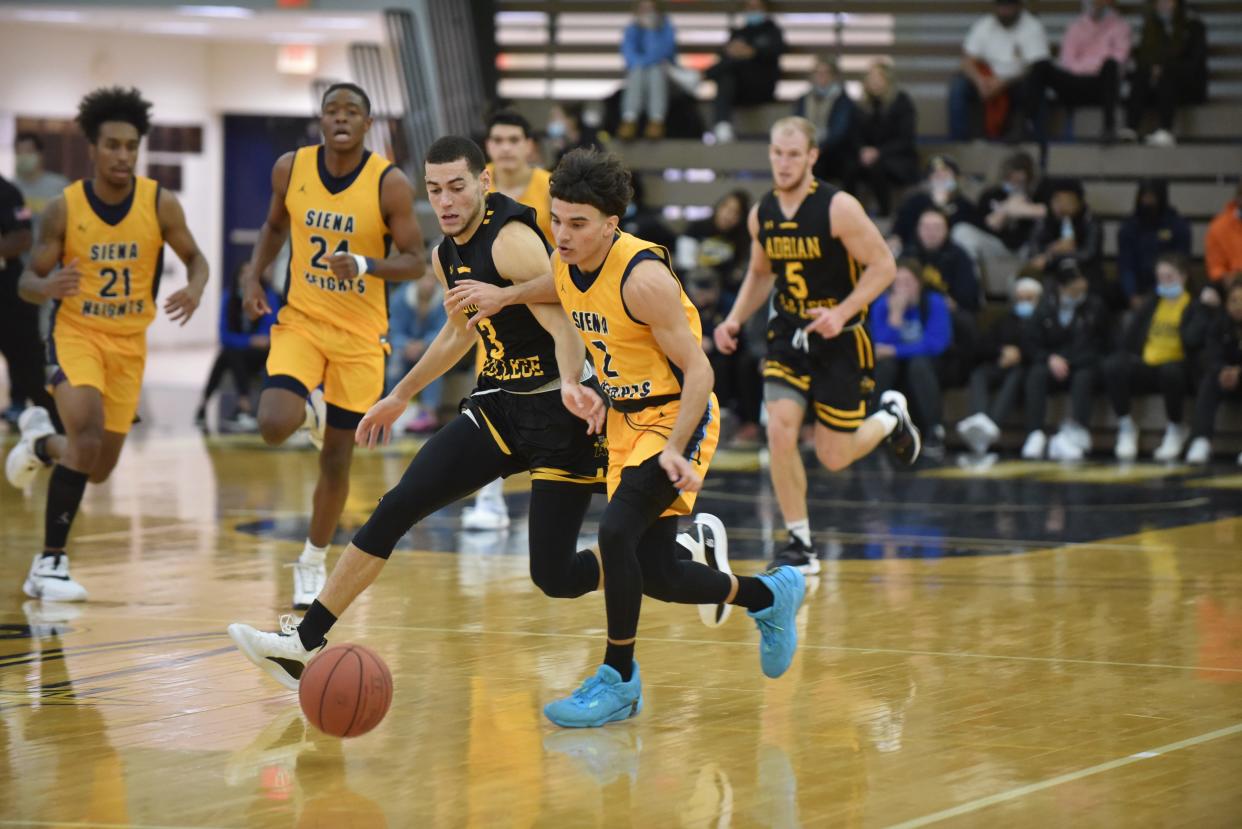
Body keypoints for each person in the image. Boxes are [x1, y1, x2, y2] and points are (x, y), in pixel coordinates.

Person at [227, 140, 749, 701]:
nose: (446, 201)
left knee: (556, 577)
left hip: (561, 418)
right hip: (499, 406)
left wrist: (573, 382)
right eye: (435, 190)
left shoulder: (515, 240)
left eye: (457, 186)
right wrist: (400, 394)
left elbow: (566, 321)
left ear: (484, 182)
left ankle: (679, 551)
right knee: (400, 503)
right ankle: (306, 644)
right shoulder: (446, 253)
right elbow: (459, 330)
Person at [545, 146, 806, 727]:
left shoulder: (644, 279)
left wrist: (671, 448)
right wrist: (572, 379)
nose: (562, 234)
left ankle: (620, 680)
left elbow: (702, 372)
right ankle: (770, 597)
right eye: (556, 218)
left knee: (615, 535)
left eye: (577, 224)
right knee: (659, 574)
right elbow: (562, 309)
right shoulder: (565, 261)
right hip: (623, 420)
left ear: (611, 225)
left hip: (676, 416)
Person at [4, 86, 209, 601]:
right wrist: (47, 288)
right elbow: (27, 279)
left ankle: (39, 443)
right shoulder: (63, 209)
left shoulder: (159, 203)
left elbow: (197, 259)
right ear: (92, 148)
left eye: (131, 146)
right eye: (113, 145)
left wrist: (196, 286)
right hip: (76, 336)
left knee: (96, 467)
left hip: (128, 345)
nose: (122, 155)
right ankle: (49, 563)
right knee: (89, 436)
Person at [237, 83, 426, 610]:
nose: (341, 118)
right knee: (274, 423)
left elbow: (415, 258)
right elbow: (274, 226)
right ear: (320, 119)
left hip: (362, 335)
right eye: (332, 110)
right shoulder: (290, 168)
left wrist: (367, 264)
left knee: (338, 460)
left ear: (369, 125)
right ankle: (308, 410)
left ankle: (312, 560)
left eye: (353, 112)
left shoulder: (388, 182)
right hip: (303, 320)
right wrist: (253, 278)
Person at [714, 117, 919, 574]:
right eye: (776, 153)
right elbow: (761, 273)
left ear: (811, 158)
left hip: (841, 339)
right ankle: (800, 544)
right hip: (788, 334)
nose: (783, 163)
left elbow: (883, 266)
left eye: (793, 155)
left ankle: (889, 418)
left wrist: (842, 312)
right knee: (780, 430)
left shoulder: (837, 207)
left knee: (834, 455)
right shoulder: (761, 213)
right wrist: (733, 319)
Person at [461, 110, 559, 530]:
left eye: (512, 139)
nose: (504, 147)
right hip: (497, 309)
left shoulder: (550, 187)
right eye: (497, 139)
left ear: (528, 146)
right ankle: (490, 497)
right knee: (492, 389)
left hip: (548, 302)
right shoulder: (477, 183)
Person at [1104, 252, 1209, 461]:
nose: (1164, 282)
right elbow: (1130, 339)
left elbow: (1193, 341)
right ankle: (1126, 426)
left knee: (1170, 371)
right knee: (1114, 365)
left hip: (1180, 368)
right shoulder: (1152, 303)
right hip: (1149, 364)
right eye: (1160, 278)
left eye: (1169, 277)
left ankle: (1175, 427)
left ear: (1183, 277)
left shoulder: (1195, 306)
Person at [1022, 262, 1111, 461]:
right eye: (1072, 287)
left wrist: (1070, 361)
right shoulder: (1046, 306)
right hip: (1053, 362)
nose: (1078, 290)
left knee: (1084, 376)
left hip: (1084, 363)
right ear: (1061, 287)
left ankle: (1077, 431)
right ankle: (1035, 432)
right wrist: (1050, 358)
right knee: (1036, 373)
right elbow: (1031, 343)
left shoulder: (1095, 307)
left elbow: (1101, 343)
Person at [870, 260, 953, 459]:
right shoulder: (883, 304)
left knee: (919, 365)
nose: (902, 287)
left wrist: (896, 351)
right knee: (883, 366)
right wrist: (895, 317)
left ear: (919, 283)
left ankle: (934, 430)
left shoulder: (933, 302)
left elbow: (936, 344)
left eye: (908, 281)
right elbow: (879, 347)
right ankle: (873, 430)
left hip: (930, 365)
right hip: (896, 367)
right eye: (897, 282)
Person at [956, 277, 1042, 456]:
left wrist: (1020, 354)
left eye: (1029, 298)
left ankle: (991, 425)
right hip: (1000, 364)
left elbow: (1045, 348)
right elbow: (982, 345)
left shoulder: (1044, 321)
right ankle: (979, 419)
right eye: (1020, 298)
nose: (1024, 303)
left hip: (1027, 369)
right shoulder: (1005, 319)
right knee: (979, 373)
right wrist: (1001, 351)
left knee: (1017, 375)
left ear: (1038, 300)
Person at [1025, 0, 1130, 144]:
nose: (1097, 4)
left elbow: (1119, 59)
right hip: (1074, 82)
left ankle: (1109, 128)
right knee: (1041, 66)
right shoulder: (1076, 26)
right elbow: (1066, 60)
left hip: (1100, 85)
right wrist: (1090, 68)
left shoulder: (1120, 27)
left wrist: (1089, 67)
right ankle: (1029, 125)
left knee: (1110, 67)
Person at [948, 0, 1049, 141]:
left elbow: (1037, 67)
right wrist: (979, 81)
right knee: (958, 87)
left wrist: (1002, 82)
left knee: (1035, 87)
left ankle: (1035, 141)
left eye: (1009, 6)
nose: (1004, 10)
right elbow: (967, 60)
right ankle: (959, 143)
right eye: (1001, 6)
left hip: (1016, 81)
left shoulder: (1033, 26)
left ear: (1019, 6)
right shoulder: (984, 24)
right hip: (987, 80)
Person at [195, 264, 279, 431]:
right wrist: (249, 341)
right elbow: (224, 335)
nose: (247, 280)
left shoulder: (268, 296)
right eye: (243, 275)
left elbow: (269, 333)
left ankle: (205, 407)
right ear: (238, 278)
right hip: (240, 352)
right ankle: (243, 408)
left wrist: (250, 341)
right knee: (229, 353)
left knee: (229, 353)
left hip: (263, 354)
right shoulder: (229, 297)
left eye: (251, 275)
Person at [951, 151, 1045, 298]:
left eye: (1019, 181)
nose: (1014, 184)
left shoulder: (1038, 194)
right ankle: (971, 292)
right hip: (997, 244)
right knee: (961, 231)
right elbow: (991, 224)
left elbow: (1047, 212)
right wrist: (1008, 208)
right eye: (1011, 180)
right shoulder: (992, 194)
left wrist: (1023, 209)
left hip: (1026, 247)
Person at [1124, 0, 1208, 147]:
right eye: (1159, 1)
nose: (1163, 4)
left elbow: (1193, 64)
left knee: (1167, 74)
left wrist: (1163, 67)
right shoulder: (1150, 28)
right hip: (1155, 85)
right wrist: (1153, 69)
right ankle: (1131, 128)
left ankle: (1166, 129)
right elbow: (1143, 56)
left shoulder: (1193, 27)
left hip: (1185, 86)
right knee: (1141, 74)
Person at [841, 60, 919, 218]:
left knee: (877, 167)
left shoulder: (902, 102)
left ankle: (885, 214)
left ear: (888, 80)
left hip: (896, 158)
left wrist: (878, 152)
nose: (875, 82)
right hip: (866, 157)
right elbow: (854, 135)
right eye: (871, 78)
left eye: (879, 78)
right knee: (848, 165)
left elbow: (905, 139)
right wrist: (862, 150)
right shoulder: (861, 105)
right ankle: (848, 214)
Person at [705, 0, 786, 144]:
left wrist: (753, 52)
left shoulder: (773, 31)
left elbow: (775, 51)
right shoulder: (738, 33)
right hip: (738, 91)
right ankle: (723, 126)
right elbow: (724, 56)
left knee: (731, 67)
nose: (753, 10)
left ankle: (701, 77)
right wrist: (735, 53)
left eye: (756, 7)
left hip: (761, 88)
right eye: (749, 7)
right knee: (727, 74)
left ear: (765, 9)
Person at [1186, 280, 1242, 464]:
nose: (1238, 306)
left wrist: (1238, 372)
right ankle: (1201, 439)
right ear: (1226, 303)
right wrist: (1222, 370)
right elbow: (1210, 354)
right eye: (1234, 300)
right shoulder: (1219, 323)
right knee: (1209, 380)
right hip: (1224, 377)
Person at [386, 274, 448, 434]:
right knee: (395, 361)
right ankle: (391, 408)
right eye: (424, 278)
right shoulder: (400, 298)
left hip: (430, 348)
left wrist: (424, 344)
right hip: (403, 349)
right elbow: (392, 329)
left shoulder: (445, 300)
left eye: (432, 279)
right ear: (415, 279)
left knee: (434, 362)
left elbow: (446, 329)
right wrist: (406, 344)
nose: (428, 283)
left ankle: (429, 413)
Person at [0, 173, 38, 426]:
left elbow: (22, 238)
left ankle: (22, 401)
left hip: (6, 280)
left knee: (19, 346)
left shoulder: (8, 192)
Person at [1117, 179, 1192, 308]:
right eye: (1144, 197)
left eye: (1152, 197)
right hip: (1137, 289)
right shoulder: (1129, 226)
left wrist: (1155, 296)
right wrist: (1132, 295)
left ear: (1161, 198)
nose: (1147, 201)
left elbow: (1180, 263)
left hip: (1169, 286)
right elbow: (1126, 266)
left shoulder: (1177, 225)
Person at [1026, 178, 1103, 299]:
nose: (1061, 206)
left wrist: (1055, 255)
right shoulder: (1044, 222)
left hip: (1083, 271)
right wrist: (1053, 250)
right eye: (1057, 201)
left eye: (1068, 201)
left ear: (1079, 202)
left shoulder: (1090, 222)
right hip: (1050, 272)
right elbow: (1034, 253)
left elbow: (1088, 254)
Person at [890, 156, 978, 255]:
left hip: (951, 256)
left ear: (956, 179)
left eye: (945, 175)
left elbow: (962, 233)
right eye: (937, 176)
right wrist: (895, 237)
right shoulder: (915, 201)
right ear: (929, 180)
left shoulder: (963, 204)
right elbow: (900, 226)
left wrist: (940, 206)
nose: (941, 179)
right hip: (914, 252)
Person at [618, 0, 678, 140]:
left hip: (664, 75)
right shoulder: (632, 28)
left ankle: (655, 120)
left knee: (655, 70)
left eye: (651, 9)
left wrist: (651, 31)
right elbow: (628, 54)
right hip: (639, 75)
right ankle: (630, 119)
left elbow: (664, 52)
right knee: (638, 71)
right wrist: (642, 63)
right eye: (644, 9)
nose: (647, 12)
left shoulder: (666, 27)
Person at [675, 189, 752, 293]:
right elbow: (685, 266)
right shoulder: (696, 229)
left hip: (723, 291)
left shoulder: (742, 239)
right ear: (718, 206)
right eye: (726, 207)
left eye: (736, 213)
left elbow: (737, 275)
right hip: (692, 286)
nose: (728, 215)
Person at [794, 55, 855, 182]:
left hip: (833, 151)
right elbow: (797, 125)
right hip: (809, 147)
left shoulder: (842, 100)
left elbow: (839, 131)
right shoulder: (803, 99)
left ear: (833, 76)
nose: (821, 76)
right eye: (818, 72)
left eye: (825, 72)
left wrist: (819, 147)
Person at [909, 208, 980, 315]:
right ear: (918, 229)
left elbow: (968, 298)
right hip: (911, 311)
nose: (931, 233)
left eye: (937, 228)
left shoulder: (960, 256)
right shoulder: (908, 255)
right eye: (926, 227)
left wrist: (954, 304)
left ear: (947, 230)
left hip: (950, 314)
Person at [1205, 181, 1242, 285]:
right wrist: (1231, 279)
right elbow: (1215, 268)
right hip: (1231, 286)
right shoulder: (1219, 227)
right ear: (1238, 198)